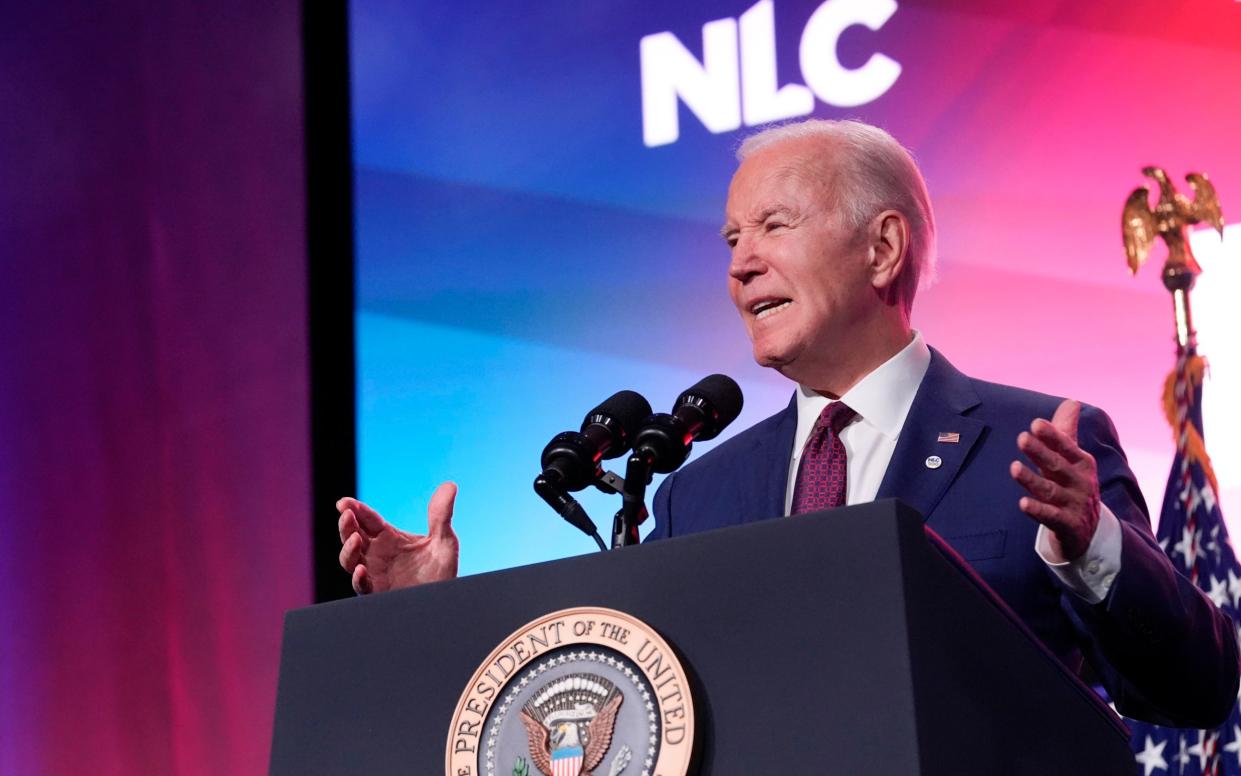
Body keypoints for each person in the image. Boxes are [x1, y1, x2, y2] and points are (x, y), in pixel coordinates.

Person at [336, 119, 1239, 727]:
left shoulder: (1038, 448)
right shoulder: (700, 492)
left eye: (772, 226)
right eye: (731, 241)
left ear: (881, 248)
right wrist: (433, 620)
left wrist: (1093, 548)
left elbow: (1194, 690)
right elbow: (620, 717)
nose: (740, 266)